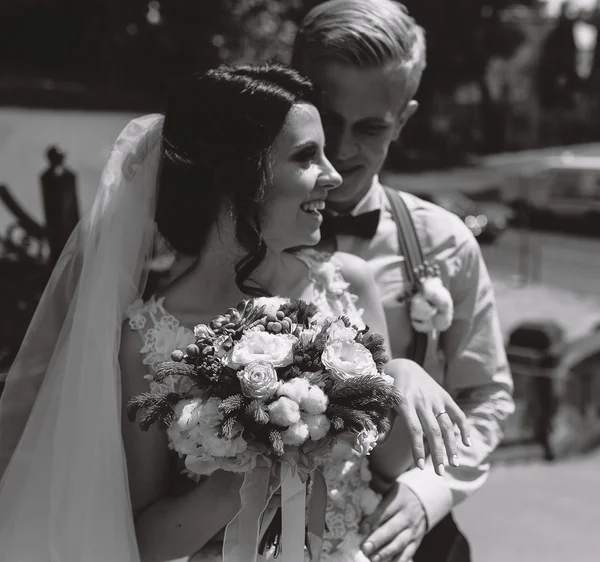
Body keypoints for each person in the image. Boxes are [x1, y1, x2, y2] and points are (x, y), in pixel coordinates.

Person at [0, 63, 468, 561]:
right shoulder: (148, 335)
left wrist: (403, 375)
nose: (333, 176)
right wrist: (233, 481)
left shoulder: (350, 281)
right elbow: (144, 542)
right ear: (240, 177)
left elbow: (385, 464)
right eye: (307, 156)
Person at [292, 1, 516, 561]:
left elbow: (485, 393)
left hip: (403, 539)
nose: (342, 151)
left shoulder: (445, 243)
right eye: (327, 117)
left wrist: (429, 492)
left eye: (370, 128)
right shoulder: (235, 236)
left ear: (405, 120)